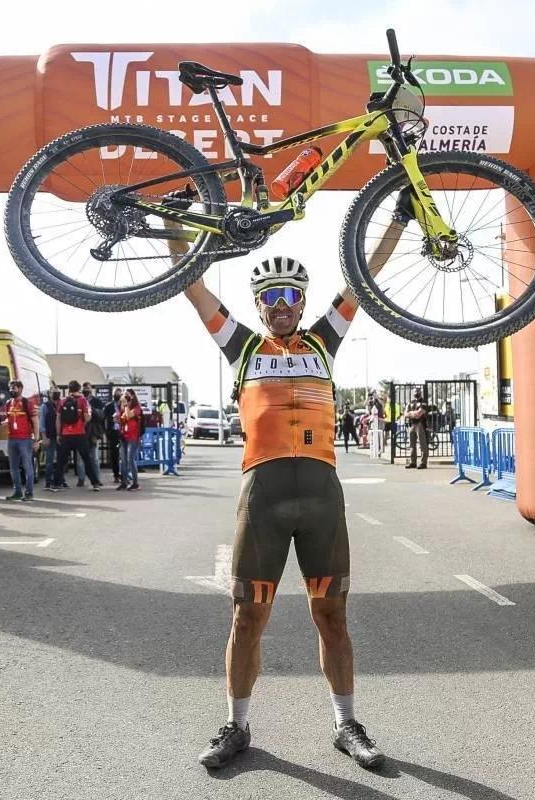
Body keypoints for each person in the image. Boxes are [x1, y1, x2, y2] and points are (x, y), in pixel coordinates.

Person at [183, 254, 392, 771]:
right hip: (264, 495)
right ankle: (237, 725)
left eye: (290, 295)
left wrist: (400, 217)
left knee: (333, 615)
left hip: (322, 495)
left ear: (302, 300)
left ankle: (346, 725)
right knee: (247, 615)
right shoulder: (243, 346)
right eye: (271, 297)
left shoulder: (324, 340)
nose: (281, 305)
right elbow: (193, 287)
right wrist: (176, 223)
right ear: (258, 304)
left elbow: (364, 278)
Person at [53, 380, 103, 492]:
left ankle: (56, 483)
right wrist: (83, 423)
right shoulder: (83, 401)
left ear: (69, 389)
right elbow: (87, 418)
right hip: (80, 434)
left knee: (61, 460)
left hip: (66, 434)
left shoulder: (62, 401)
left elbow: (58, 419)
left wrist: (58, 434)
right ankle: (95, 483)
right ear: (79, 389)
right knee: (87, 459)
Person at [4, 380, 39, 500]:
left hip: (25, 439)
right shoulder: (9, 403)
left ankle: (29, 493)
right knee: (13, 467)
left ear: (20, 389)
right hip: (12, 438)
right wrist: (4, 423)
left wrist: (36, 440)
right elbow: (9, 419)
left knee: (27, 466)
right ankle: (17, 491)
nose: (11, 390)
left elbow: (35, 422)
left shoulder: (27, 403)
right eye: (10, 387)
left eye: (14, 388)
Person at [116, 388, 143, 491]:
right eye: (124, 395)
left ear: (132, 396)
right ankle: (123, 482)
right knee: (123, 460)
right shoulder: (123, 407)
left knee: (130, 459)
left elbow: (128, 415)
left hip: (133, 437)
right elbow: (122, 418)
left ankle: (135, 483)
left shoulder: (137, 408)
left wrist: (126, 405)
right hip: (124, 436)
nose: (125, 396)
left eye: (127, 395)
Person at [40, 389, 65, 490]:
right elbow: (42, 423)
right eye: (53, 392)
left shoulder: (62, 404)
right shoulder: (45, 406)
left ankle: (61, 481)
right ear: (49, 394)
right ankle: (48, 481)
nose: (55, 393)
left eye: (57, 391)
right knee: (49, 460)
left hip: (61, 436)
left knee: (62, 459)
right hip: (50, 436)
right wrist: (44, 437)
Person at [404, 388, 430, 469]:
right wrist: (413, 414)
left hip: (420, 424)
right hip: (412, 424)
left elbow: (419, 414)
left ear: (420, 392)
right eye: (415, 392)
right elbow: (405, 414)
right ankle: (413, 462)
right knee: (412, 445)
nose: (416, 393)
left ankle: (423, 463)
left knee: (423, 444)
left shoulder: (423, 402)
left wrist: (411, 413)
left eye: (417, 392)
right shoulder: (411, 402)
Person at [106, 388, 124, 485]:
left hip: (123, 432)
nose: (118, 395)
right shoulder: (108, 406)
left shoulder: (124, 406)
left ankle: (125, 474)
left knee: (124, 454)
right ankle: (116, 475)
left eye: (119, 394)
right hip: (113, 433)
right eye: (116, 394)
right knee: (115, 455)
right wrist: (106, 431)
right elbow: (103, 419)